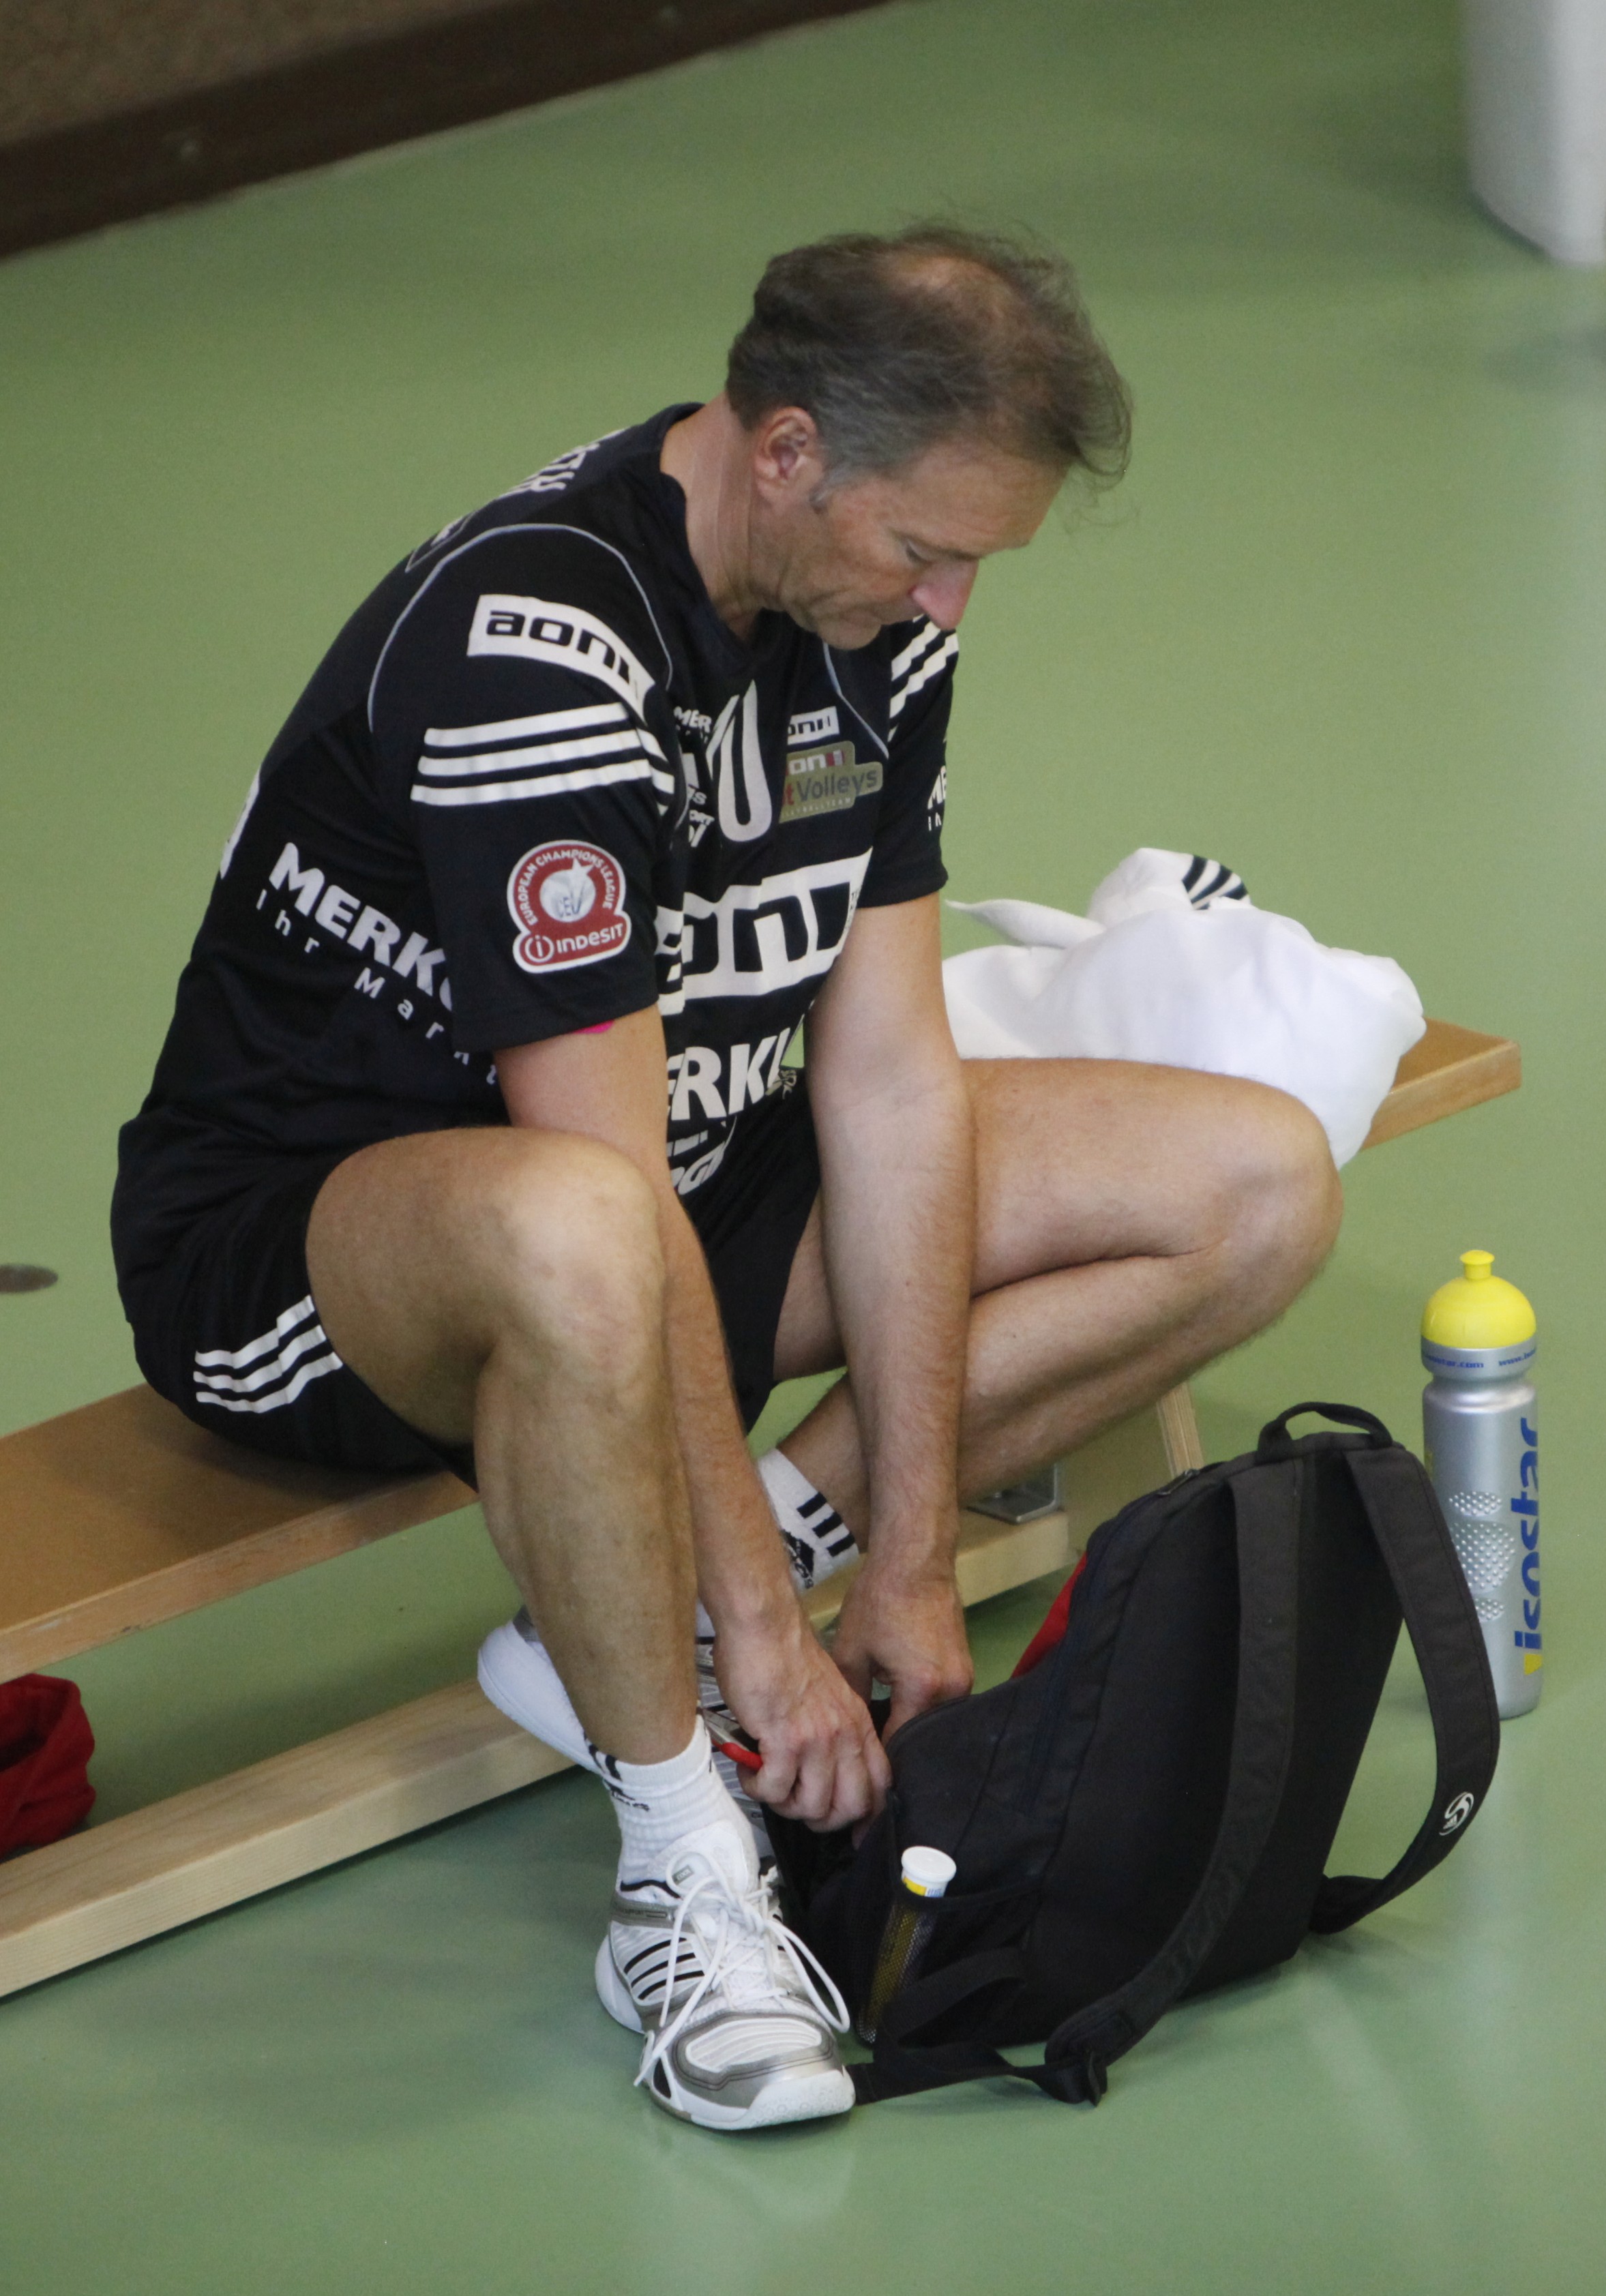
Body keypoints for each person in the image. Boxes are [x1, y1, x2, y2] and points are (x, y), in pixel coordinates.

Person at [112, 225, 1341, 2132]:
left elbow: (892, 1082)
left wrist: (905, 1555)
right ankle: (680, 1860)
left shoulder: (872, 624)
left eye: (975, 562)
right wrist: (769, 1637)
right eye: (924, 548)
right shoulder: (539, 643)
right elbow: (592, 1172)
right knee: (588, 1231)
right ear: (785, 452)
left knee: (1255, 1180)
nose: (948, 601)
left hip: (667, 1180)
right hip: (311, 1259)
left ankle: (649, 1621)